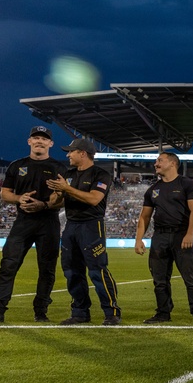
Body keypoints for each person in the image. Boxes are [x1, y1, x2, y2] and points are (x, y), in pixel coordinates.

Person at [0, 126, 66, 325]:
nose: (39, 141)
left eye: (44, 139)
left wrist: (44, 204)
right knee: (8, 266)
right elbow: (5, 193)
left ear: (50, 144)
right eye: (36, 137)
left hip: (49, 222)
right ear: (29, 141)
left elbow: (62, 198)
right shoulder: (16, 165)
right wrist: (20, 198)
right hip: (23, 222)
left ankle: (41, 311)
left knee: (47, 269)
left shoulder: (59, 167)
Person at [46, 137, 122, 325]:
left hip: (91, 226)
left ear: (82, 153)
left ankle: (111, 312)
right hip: (71, 226)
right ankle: (79, 312)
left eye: (71, 151)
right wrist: (59, 192)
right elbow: (55, 203)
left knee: (97, 270)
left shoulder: (100, 175)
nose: (67, 155)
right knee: (71, 271)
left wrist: (67, 188)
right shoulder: (68, 174)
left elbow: (94, 199)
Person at [134, 152, 193, 325]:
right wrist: (138, 239)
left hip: (181, 235)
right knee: (159, 280)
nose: (156, 163)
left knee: (190, 278)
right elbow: (144, 217)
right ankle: (163, 313)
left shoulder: (187, 184)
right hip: (159, 236)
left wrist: (189, 233)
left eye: (160, 160)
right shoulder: (153, 190)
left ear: (173, 163)